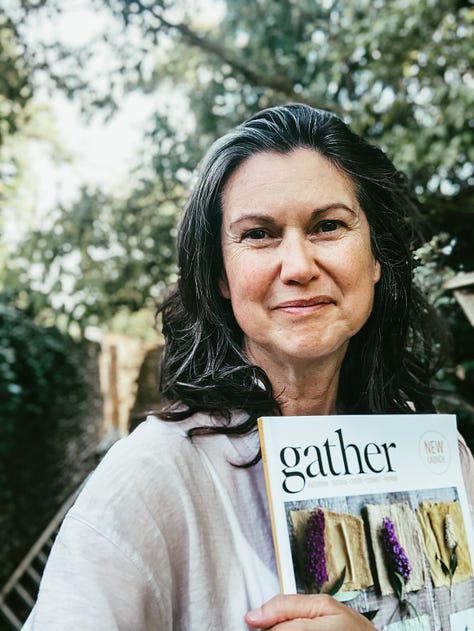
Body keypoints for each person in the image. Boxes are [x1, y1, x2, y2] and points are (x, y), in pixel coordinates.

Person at [23, 103, 474, 630]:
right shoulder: (151, 481)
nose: (300, 266)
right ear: (220, 275)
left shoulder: (440, 461)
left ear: (375, 258)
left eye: (328, 226)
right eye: (259, 234)